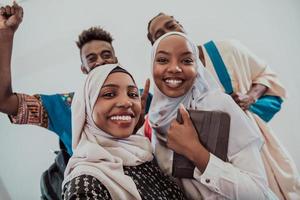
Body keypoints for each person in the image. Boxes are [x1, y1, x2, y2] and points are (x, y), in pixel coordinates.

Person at [147, 13, 300, 199]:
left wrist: (196, 151)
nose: (175, 68)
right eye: (162, 59)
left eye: (187, 60)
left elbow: (255, 191)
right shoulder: (155, 120)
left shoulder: (225, 60)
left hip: (249, 145)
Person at [62, 64, 185, 200]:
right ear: (87, 107)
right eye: (109, 94)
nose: (126, 102)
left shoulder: (143, 154)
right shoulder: (85, 185)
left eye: (132, 94)